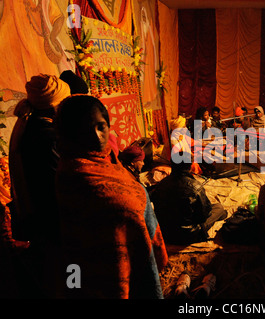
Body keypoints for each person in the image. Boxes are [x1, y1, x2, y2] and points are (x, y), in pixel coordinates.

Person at [54, 95, 167, 298]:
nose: (97, 136)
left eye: (101, 126)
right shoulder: (74, 173)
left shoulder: (110, 161)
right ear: (71, 133)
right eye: (86, 129)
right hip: (105, 266)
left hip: (135, 253)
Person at [8, 74, 71, 297]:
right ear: (56, 106)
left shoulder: (31, 126)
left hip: (39, 216)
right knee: (68, 271)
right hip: (53, 219)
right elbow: (61, 180)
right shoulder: (47, 136)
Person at [151, 152, 228, 245]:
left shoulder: (161, 184)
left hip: (165, 232)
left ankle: (222, 214)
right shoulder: (195, 187)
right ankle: (222, 214)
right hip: (188, 234)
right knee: (219, 208)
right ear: (190, 167)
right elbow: (204, 215)